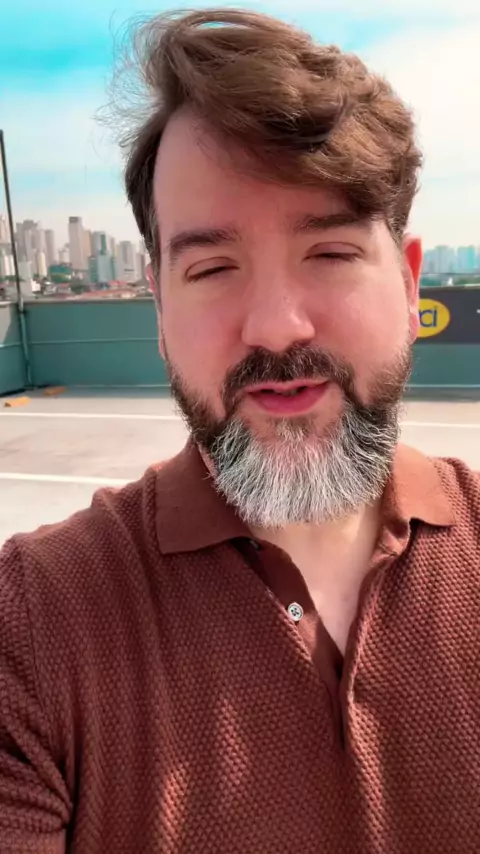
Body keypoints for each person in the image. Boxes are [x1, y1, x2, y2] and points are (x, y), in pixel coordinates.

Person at [0, 8, 479, 854]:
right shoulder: (30, 626)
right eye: (214, 267)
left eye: (329, 253)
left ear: (410, 287)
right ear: (159, 310)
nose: (275, 326)